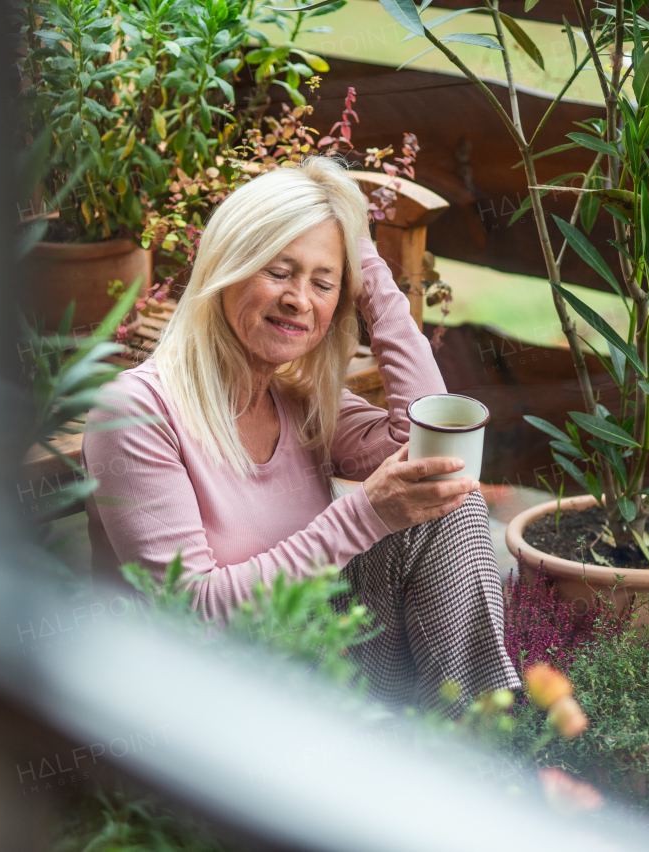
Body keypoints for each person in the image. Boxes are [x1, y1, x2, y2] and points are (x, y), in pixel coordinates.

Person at [81, 156, 519, 716]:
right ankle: (478, 759)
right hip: (201, 707)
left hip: (316, 665)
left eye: (321, 283)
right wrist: (368, 513)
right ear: (227, 265)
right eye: (279, 271)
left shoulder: (296, 395)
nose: (299, 299)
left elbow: (427, 447)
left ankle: (481, 739)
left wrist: (367, 269)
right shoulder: (137, 411)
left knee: (443, 497)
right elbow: (192, 615)